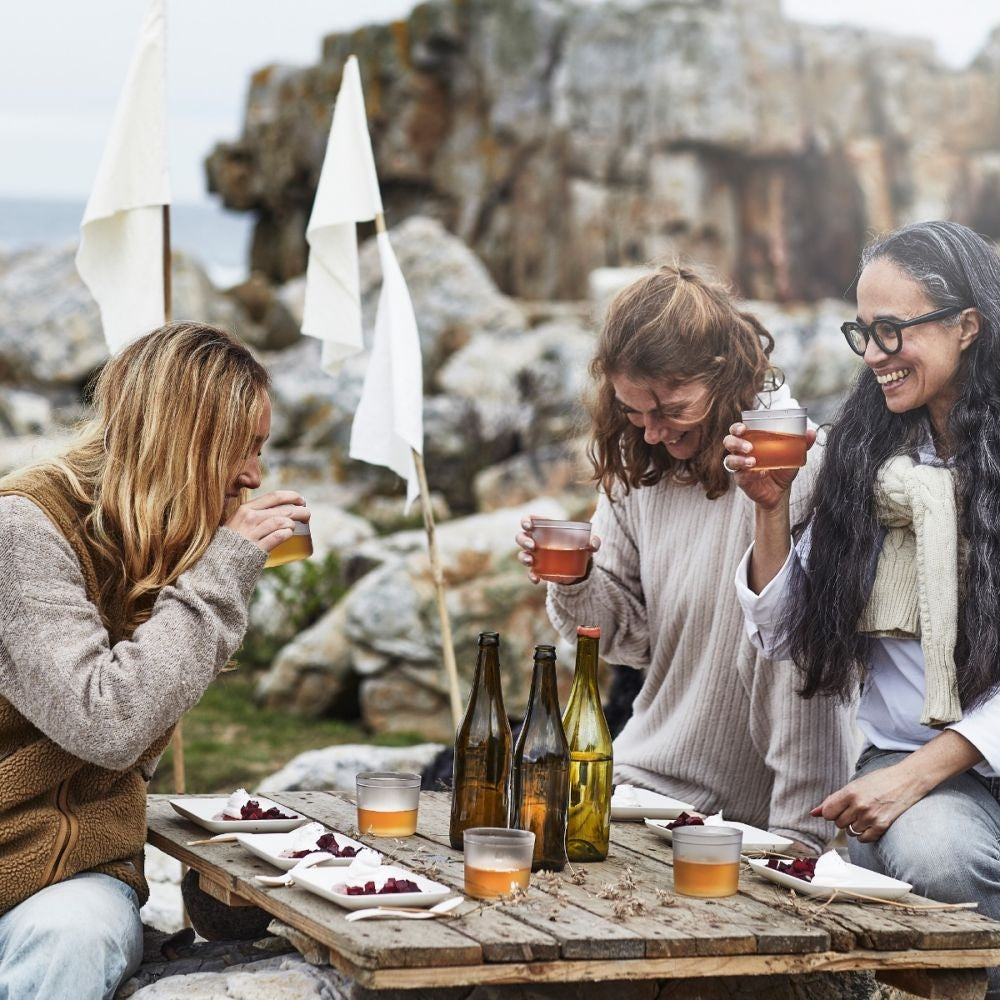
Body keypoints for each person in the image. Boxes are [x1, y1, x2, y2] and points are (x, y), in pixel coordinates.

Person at [726, 220, 1000, 997]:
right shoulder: (862, 456)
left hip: (928, 767)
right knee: (941, 858)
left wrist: (915, 777)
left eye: (892, 330)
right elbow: (785, 632)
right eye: (864, 332)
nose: (874, 354)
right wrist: (770, 508)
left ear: (966, 326)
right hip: (913, 762)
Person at [0, 322, 308, 1000]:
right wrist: (220, 572)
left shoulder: (160, 533)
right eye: (242, 448)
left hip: (76, 873)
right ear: (183, 439)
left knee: (73, 936)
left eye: (260, 449)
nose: (254, 476)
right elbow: (106, 722)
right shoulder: (25, 529)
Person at [515, 263, 855, 853]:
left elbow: (808, 660)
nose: (651, 432)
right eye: (633, 410)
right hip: (645, 785)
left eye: (671, 409)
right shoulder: (639, 473)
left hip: (772, 819)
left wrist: (802, 839)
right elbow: (625, 641)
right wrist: (576, 579)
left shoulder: (799, 466)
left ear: (724, 377)